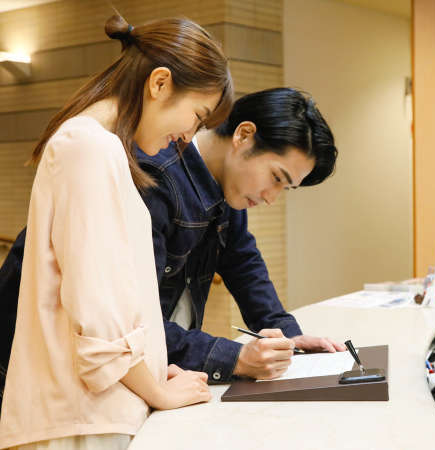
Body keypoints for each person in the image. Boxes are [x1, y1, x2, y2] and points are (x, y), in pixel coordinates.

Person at [0, 88, 345, 410]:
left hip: (103, 364)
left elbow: (244, 263)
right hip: (29, 357)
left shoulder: (227, 188)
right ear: (243, 135)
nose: (271, 197)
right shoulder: (154, 175)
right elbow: (132, 321)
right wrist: (236, 358)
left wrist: (290, 338)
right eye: (276, 178)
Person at [0, 14, 233, 450]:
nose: (188, 136)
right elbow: (100, 323)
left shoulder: (99, 147)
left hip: (94, 413)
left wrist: (154, 371)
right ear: (159, 83)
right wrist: (159, 391)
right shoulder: (88, 147)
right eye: (197, 117)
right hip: (83, 421)